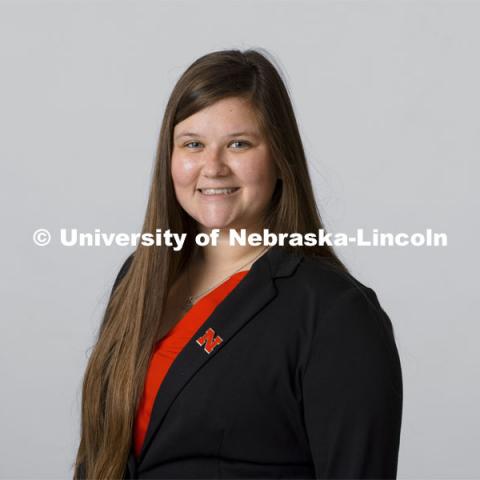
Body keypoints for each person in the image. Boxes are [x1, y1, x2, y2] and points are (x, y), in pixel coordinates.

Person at [74, 48, 403, 479]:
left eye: (239, 144)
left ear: (280, 159)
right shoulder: (139, 279)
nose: (213, 167)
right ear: (170, 159)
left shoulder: (333, 313)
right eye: (193, 144)